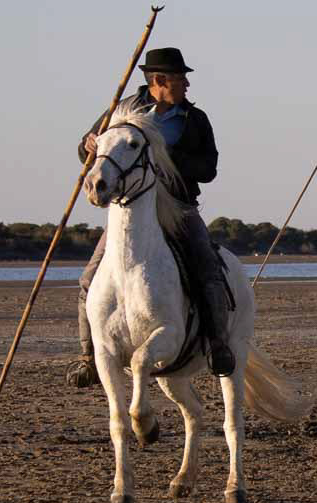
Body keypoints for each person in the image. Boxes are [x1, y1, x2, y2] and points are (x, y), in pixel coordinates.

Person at [69, 47, 235, 387]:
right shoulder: (122, 110)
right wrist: (86, 147)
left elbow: (209, 169)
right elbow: (91, 150)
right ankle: (88, 355)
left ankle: (218, 344)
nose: (186, 84)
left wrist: (166, 157)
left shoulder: (194, 118)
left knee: (208, 267)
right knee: (89, 277)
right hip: (129, 209)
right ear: (158, 80)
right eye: (179, 78)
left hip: (179, 206)